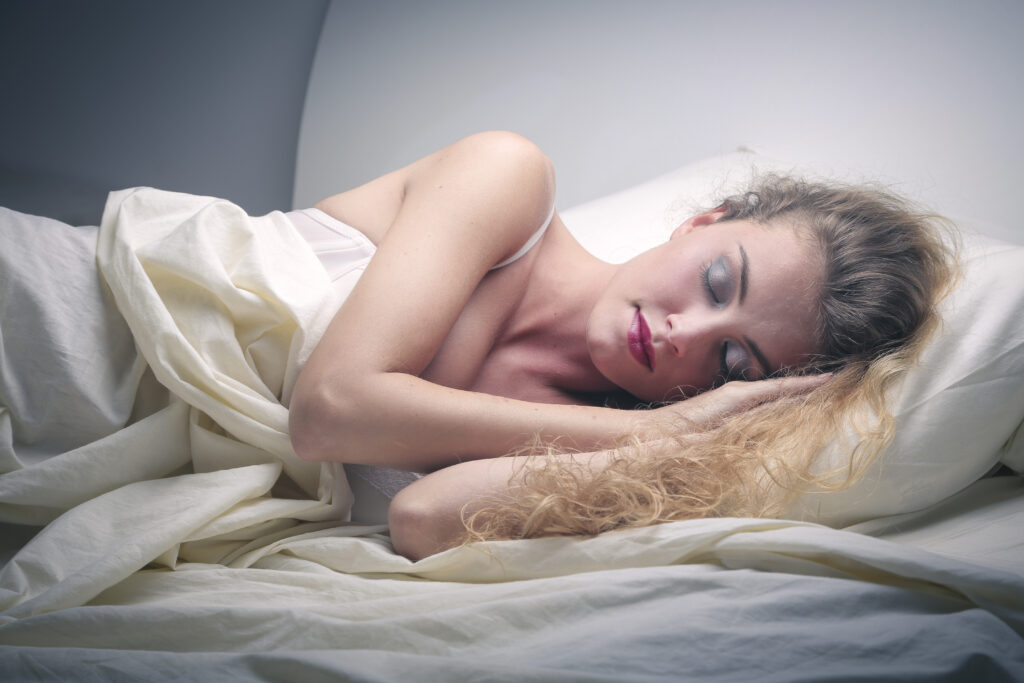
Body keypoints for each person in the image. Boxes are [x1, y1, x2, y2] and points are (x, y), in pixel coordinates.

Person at [287, 131, 954, 560]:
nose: (683, 333)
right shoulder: (508, 178)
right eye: (717, 282)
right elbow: (326, 412)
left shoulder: (606, 440)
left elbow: (422, 517)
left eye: (732, 360)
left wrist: (663, 443)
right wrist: (653, 426)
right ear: (702, 222)